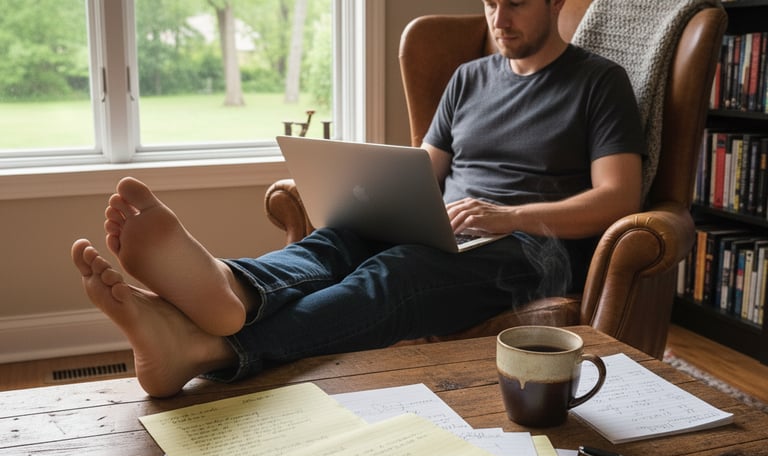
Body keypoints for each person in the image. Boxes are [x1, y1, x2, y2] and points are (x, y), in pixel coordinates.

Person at [71, 0, 645, 398]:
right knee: (339, 239)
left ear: (554, 4)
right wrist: (375, 195)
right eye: (490, 4)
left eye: (516, 4)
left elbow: (618, 198)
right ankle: (234, 287)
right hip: (452, 226)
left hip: (528, 246)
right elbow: (426, 170)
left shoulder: (598, 82)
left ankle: (210, 348)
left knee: (398, 270)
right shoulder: (470, 78)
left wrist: (509, 213)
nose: (499, 19)